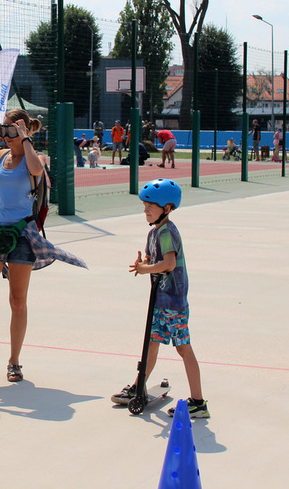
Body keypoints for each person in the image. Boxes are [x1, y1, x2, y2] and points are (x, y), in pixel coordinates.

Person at [0, 109, 86, 383]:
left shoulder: (36, 157)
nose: (7, 135)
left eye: (12, 129)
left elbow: (35, 170)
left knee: (17, 300)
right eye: (4, 129)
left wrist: (25, 139)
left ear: (24, 129)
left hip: (23, 234)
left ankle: (14, 362)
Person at [112, 179, 209, 418]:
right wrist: (143, 263)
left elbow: (169, 263)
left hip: (173, 303)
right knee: (151, 345)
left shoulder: (167, 232)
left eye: (150, 206)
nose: (145, 210)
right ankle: (138, 388)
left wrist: (146, 269)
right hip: (161, 301)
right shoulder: (154, 232)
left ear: (166, 208)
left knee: (183, 349)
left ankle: (198, 403)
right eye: (144, 206)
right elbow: (151, 258)